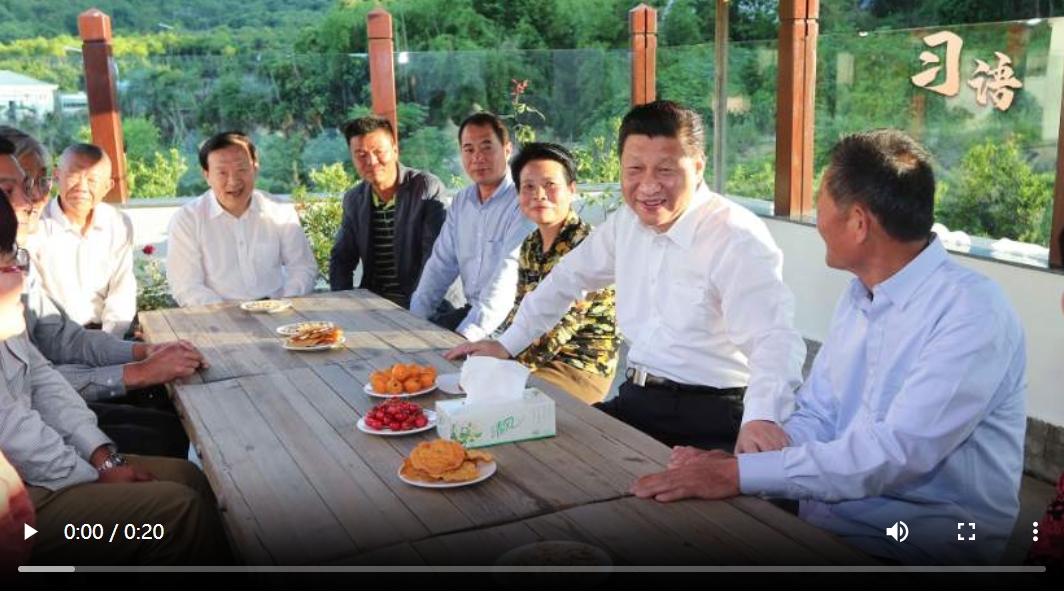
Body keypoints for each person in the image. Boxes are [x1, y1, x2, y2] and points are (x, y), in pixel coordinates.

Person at [632, 129, 1027, 566]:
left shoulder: (972, 312)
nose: (815, 215)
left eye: (820, 199)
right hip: (827, 521)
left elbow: (894, 454)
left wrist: (739, 474)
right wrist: (752, 461)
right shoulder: (860, 295)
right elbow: (820, 413)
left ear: (858, 222)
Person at [447, 101, 804, 453]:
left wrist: (763, 417)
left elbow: (773, 337)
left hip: (712, 416)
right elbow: (565, 280)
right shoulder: (626, 224)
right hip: (638, 400)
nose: (648, 186)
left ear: (697, 167)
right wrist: (506, 345)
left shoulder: (734, 236)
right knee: (535, 452)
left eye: (665, 170)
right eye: (634, 169)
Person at [0, 194, 231, 565]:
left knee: (188, 477)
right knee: (174, 513)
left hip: (42, 469)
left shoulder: (8, 311)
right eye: (7, 265)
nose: (29, 200)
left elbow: (44, 381)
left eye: (14, 258)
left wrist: (103, 458)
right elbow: (13, 427)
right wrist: (90, 475)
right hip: (19, 514)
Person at [0, 135, 200, 458]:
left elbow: (64, 339)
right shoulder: (27, 243)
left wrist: (144, 351)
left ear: (108, 186)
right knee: (165, 440)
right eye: (9, 190)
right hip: (36, 430)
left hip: (82, 359)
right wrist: (138, 372)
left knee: (169, 421)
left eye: (35, 184)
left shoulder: (16, 259)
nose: (33, 200)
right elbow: (33, 387)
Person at [495, 142, 619, 403]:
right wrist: (497, 346)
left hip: (579, 365)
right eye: (528, 186)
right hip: (534, 358)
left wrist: (506, 361)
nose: (539, 195)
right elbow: (521, 308)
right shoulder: (531, 244)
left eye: (550, 184)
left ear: (572, 190)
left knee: (502, 400)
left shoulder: (587, 244)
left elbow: (563, 325)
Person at [410, 112, 535, 340]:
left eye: (487, 147)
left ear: (507, 150)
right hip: (472, 312)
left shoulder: (523, 201)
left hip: (515, 322)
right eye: (469, 149)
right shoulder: (461, 202)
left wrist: (466, 338)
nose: (477, 157)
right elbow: (440, 265)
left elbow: (506, 279)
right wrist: (414, 320)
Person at [167, 131, 318, 307]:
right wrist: (227, 314)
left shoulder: (279, 210)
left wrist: (285, 301)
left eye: (241, 170)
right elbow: (186, 286)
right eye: (222, 172)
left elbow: (303, 267)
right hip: (217, 315)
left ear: (255, 169)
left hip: (278, 310)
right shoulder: (187, 220)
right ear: (207, 175)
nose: (233, 181)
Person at [329, 115, 447, 308]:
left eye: (378, 152)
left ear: (395, 150)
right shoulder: (354, 199)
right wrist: (344, 304)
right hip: (376, 303)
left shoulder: (425, 188)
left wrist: (414, 310)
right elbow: (341, 258)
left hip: (425, 302)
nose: (371, 161)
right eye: (361, 155)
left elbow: (434, 259)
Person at [31, 143, 135, 337]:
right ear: (56, 175)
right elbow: (35, 299)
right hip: (52, 339)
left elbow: (122, 290)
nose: (82, 188)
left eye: (93, 180)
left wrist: (108, 341)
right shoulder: (34, 225)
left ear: (107, 186)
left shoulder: (118, 223)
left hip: (106, 334)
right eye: (74, 175)